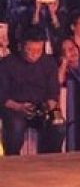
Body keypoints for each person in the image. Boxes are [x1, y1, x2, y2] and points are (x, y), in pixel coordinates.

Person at [0, 27, 65, 155]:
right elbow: (2, 95)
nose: (35, 54)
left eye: (39, 50)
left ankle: (50, 158)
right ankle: (13, 161)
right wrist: (18, 107)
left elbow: (53, 91)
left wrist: (50, 108)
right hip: (15, 108)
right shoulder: (7, 63)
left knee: (58, 124)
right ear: (21, 46)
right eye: (30, 50)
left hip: (41, 107)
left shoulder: (48, 62)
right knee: (16, 127)